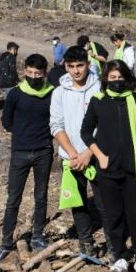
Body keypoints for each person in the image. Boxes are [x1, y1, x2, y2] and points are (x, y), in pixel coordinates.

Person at [81, 60, 136, 272]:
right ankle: (120, 256)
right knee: (114, 216)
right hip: (107, 170)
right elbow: (86, 132)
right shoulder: (98, 101)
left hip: (133, 169)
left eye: (120, 77)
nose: (117, 81)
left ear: (127, 78)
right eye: (112, 78)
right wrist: (100, 156)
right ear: (106, 80)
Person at [0, 53, 55, 263]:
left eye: (37, 73)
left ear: (44, 73)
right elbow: (7, 121)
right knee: (13, 198)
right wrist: (22, 134)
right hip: (20, 152)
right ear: (24, 72)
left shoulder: (52, 94)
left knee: (41, 195)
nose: (33, 77)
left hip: (43, 151)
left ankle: (37, 236)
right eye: (29, 73)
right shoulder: (16, 94)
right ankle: (6, 242)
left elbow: (57, 120)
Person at [51, 46, 105, 259]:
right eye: (71, 66)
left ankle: (112, 241)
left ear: (88, 64)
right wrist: (73, 154)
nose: (76, 71)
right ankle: (86, 242)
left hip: (97, 156)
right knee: (78, 202)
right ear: (65, 66)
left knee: (104, 202)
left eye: (80, 66)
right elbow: (56, 124)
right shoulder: (59, 92)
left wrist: (87, 154)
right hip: (71, 158)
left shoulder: (100, 88)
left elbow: (105, 125)